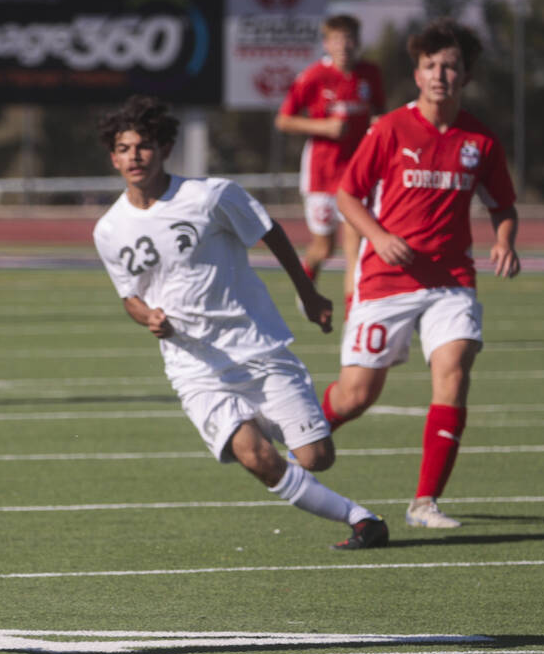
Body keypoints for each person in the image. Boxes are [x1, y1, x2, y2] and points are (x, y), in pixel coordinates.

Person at [92, 95, 388, 551]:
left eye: (145, 145)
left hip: (256, 346)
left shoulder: (211, 195)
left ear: (165, 148)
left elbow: (269, 230)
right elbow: (129, 295)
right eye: (125, 148)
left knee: (316, 457)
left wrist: (308, 294)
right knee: (258, 458)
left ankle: (300, 439)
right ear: (113, 157)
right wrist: (147, 316)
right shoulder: (109, 229)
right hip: (195, 367)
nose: (135, 156)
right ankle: (361, 519)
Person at [321, 18, 521, 529]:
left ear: (465, 76)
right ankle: (298, 430)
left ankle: (424, 503)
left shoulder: (480, 139)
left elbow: (502, 205)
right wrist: (379, 237)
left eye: (451, 66)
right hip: (386, 283)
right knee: (356, 396)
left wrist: (504, 240)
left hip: (451, 280)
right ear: (417, 74)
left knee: (454, 372)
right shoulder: (389, 129)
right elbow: (347, 195)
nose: (441, 75)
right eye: (431, 66)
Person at [276, 14, 385, 314]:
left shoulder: (369, 75)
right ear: (326, 43)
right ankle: (306, 281)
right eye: (337, 39)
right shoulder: (313, 77)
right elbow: (283, 120)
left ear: (358, 42)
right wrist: (325, 128)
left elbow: (379, 111)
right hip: (321, 175)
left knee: (356, 247)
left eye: (349, 38)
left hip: (357, 174)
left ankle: (354, 315)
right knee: (324, 247)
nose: (344, 46)